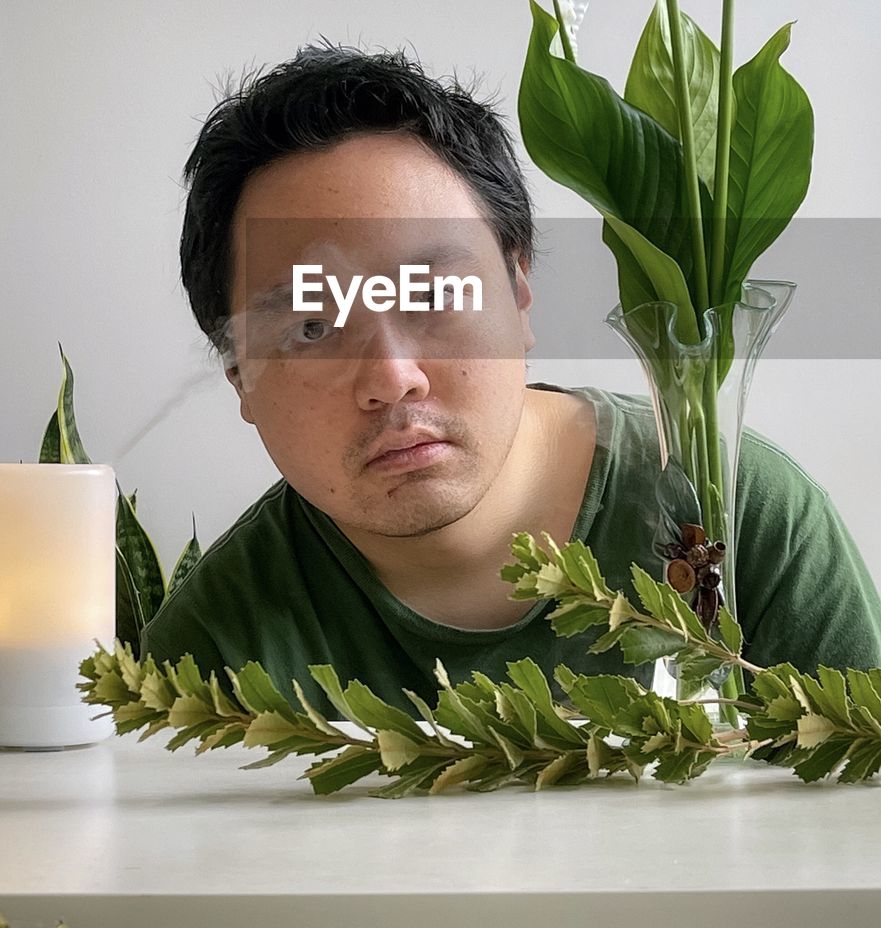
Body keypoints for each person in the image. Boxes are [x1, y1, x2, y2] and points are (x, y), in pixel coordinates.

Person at [140, 43, 881, 715]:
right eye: (309, 328)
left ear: (519, 291)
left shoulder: (734, 515)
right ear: (239, 375)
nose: (392, 378)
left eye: (433, 297)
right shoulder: (213, 652)